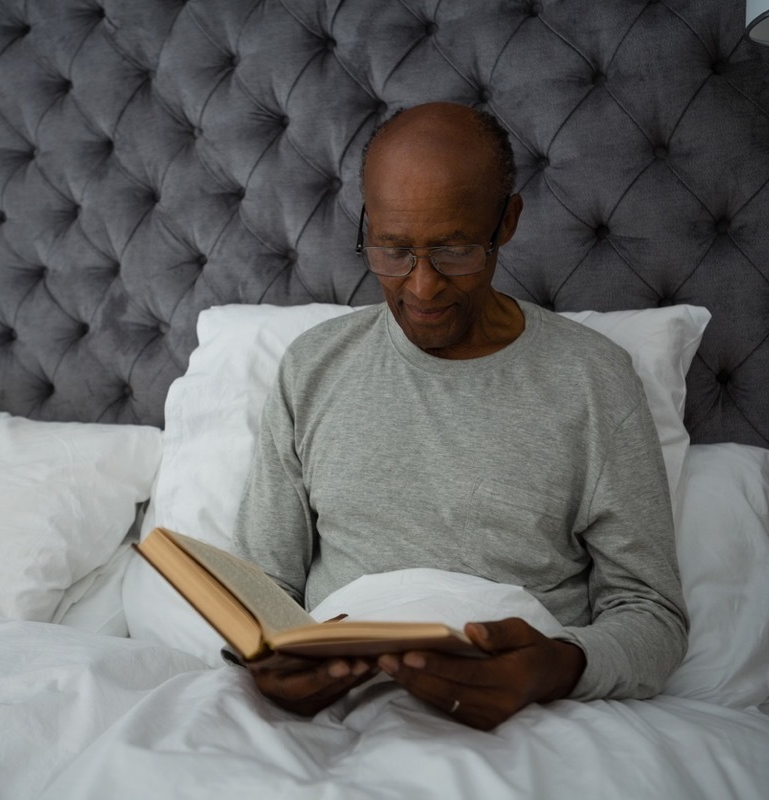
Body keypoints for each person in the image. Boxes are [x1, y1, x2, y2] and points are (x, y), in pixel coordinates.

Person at [230, 101, 688, 731]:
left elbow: (652, 614)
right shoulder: (314, 367)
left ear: (508, 222)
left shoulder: (592, 380)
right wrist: (270, 658)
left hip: (523, 715)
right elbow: (264, 591)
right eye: (393, 250)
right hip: (332, 714)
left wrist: (550, 669)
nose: (421, 288)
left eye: (454, 251)